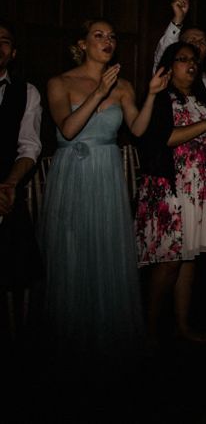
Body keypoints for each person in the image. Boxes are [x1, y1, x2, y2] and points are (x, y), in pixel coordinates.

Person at [40, 19, 169, 357]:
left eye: (112, 36)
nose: (107, 40)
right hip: (73, 174)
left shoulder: (123, 85)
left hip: (107, 175)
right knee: (73, 251)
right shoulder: (59, 82)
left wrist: (152, 95)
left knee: (105, 248)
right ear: (82, 44)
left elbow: (138, 130)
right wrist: (98, 92)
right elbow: (67, 130)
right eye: (98, 35)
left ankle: (106, 338)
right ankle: (71, 340)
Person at [135, 41, 206, 345]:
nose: (191, 64)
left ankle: (182, 325)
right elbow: (165, 138)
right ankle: (151, 332)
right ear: (169, 67)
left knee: (189, 258)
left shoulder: (201, 100)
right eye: (182, 59)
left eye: (194, 60)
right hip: (172, 188)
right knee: (170, 261)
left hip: (201, 188)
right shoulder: (161, 98)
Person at [0, 22, 42, 323]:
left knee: (13, 278)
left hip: (7, 195)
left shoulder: (27, 92)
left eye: (4, 41)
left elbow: (29, 146)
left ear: (13, 52)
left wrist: (11, 183)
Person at [154, 0, 206, 114]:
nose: (197, 44)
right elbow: (165, 51)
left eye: (202, 41)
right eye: (192, 41)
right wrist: (178, 18)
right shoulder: (169, 75)